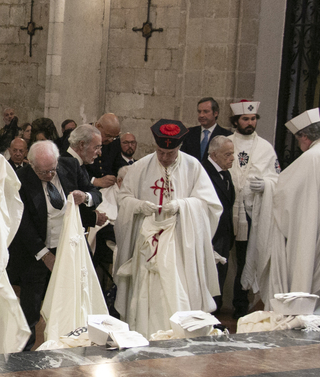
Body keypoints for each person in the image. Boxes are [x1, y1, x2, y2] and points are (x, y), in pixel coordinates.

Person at [244, 108, 320, 314]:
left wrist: (267, 187)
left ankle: (303, 309)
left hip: (314, 229)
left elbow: (284, 194)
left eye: (298, 140)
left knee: (308, 270)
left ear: (305, 136)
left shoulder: (312, 157)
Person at [114, 119, 222, 337]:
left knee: (177, 288)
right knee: (147, 290)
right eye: (160, 152)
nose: (164, 157)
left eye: (169, 153)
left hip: (180, 245)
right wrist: (139, 205)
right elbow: (123, 199)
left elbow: (210, 205)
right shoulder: (141, 166)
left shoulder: (193, 167)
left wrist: (182, 206)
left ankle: (179, 333)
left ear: (179, 148)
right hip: (147, 244)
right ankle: (143, 332)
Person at [9, 140, 95, 350]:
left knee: (70, 300)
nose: (50, 176)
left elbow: (94, 192)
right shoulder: (20, 180)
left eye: (52, 170)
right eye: (44, 172)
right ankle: (24, 355)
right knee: (31, 309)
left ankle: (68, 343)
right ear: (31, 164)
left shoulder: (70, 166)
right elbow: (23, 225)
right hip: (35, 253)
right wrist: (45, 255)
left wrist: (86, 197)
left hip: (68, 249)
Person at [227, 99, 279, 318]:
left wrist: (266, 184)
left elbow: (277, 178)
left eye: (253, 118)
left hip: (250, 212)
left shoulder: (266, 148)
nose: (250, 122)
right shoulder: (226, 142)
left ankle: (241, 304)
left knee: (244, 257)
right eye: (245, 119)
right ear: (236, 121)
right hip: (226, 209)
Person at [202, 135, 236, 311]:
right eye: (227, 154)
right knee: (210, 277)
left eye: (232, 154)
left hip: (224, 234)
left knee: (221, 276)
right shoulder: (204, 172)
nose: (232, 158)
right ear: (214, 155)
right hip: (211, 235)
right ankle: (209, 313)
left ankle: (216, 312)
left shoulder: (225, 173)